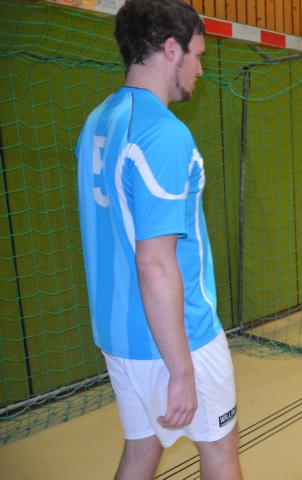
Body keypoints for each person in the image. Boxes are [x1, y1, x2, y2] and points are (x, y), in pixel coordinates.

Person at [76, 1, 243, 478]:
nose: (200, 69)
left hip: (118, 338)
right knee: (220, 450)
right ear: (171, 49)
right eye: (197, 54)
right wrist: (182, 369)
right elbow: (155, 263)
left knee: (141, 447)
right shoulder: (164, 135)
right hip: (177, 334)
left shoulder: (98, 121)